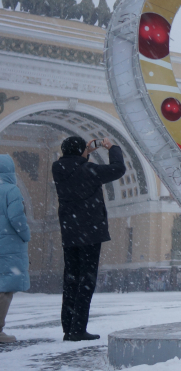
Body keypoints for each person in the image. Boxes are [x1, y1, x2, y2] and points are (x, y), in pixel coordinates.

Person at [52, 136, 125, 342]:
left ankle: (68, 328)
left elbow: (73, 165)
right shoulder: (89, 170)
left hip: (69, 231)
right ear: (80, 151)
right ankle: (78, 329)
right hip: (90, 233)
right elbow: (118, 169)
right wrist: (112, 147)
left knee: (71, 280)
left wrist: (83, 153)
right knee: (86, 281)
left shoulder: (57, 168)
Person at [0, 155, 30, 343]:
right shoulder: (11, 190)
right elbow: (16, 218)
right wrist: (25, 234)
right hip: (7, 247)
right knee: (5, 289)